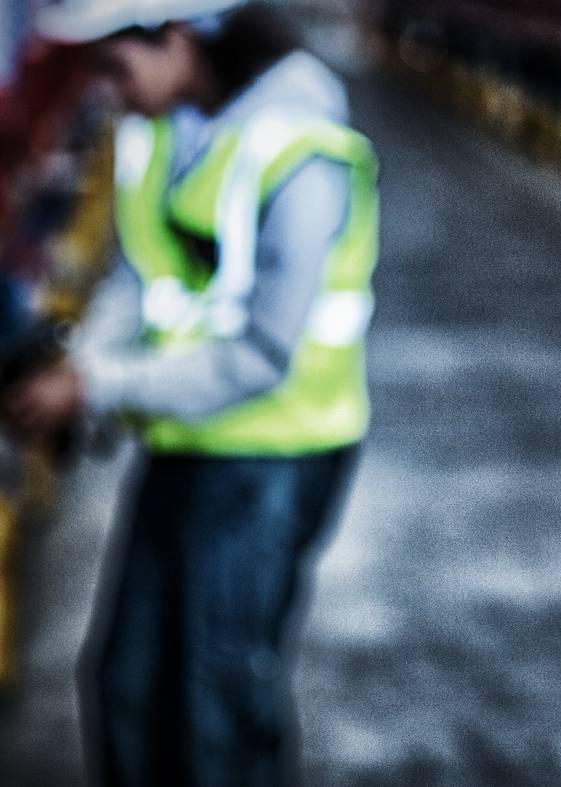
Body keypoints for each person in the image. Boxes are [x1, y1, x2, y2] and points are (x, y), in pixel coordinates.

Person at [15, 1, 380, 783]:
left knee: (217, 698)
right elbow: (141, 276)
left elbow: (261, 354)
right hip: (186, 440)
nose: (110, 90)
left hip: (276, 452)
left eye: (117, 66)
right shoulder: (163, 126)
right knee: (127, 682)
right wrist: (80, 362)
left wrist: (95, 385)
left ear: (176, 35)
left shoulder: (300, 152)